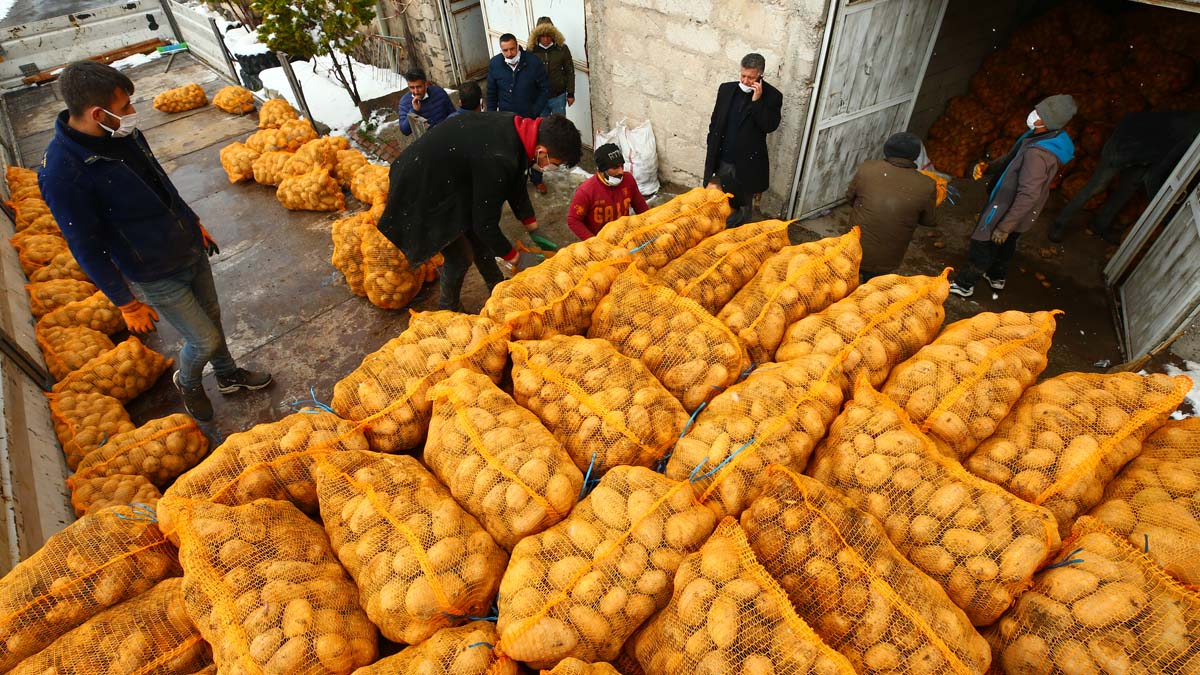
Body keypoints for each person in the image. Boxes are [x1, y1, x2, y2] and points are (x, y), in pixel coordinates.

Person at [39, 61, 271, 421]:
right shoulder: (62, 173)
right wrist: (126, 303)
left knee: (212, 318)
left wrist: (192, 221)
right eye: (124, 107)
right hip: (153, 270)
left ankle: (227, 375)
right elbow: (85, 246)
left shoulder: (122, 134)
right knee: (203, 339)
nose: (132, 113)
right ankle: (188, 383)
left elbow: (161, 182)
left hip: (187, 246)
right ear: (97, 113)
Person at [374, 113, 582, 312]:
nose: (552, 168)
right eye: (555, 164)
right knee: (461, 256)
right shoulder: (499, 156)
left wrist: (533, 228)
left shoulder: (520, 132)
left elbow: (515, 183)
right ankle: (448, 307)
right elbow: (485, 224)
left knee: (480, 240)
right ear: (541, 151)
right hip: (420, 188)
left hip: (447, 177)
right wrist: (516, 259)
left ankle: (496, 286)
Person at [949, 94, 1077, 298]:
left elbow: (1028, 194)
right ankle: (996, 276)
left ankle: (964, 284)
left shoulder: (1038, 155)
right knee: (1006, 244)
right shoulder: (1041, 136)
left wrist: (1005, 226)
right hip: (1020, 211)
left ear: (1047, 122)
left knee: (983, 243)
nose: (1033, 114)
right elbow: (1014, 157)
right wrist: (989, 167)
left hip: (1008, 206)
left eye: (1039, 113)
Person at [1049, 110, 1200, 243]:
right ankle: (1059, 223)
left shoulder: (1190, 128)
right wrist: (1163, 208)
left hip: (1144, 152)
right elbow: (1152, 177)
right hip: (1122, 146)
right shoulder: (1190, 136)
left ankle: (1099, 226)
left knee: (1127, 191)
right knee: (1096, 187)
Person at [703, 52, 784, 227]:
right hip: (723, 160)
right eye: (743, 76)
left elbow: (770, 126)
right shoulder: (726, 90)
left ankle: (737, 237)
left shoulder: (772, 96)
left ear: (760, 75)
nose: (745, 81)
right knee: (715, 203)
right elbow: (715, 122)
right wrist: (711, 145)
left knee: (742, 208)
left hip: (747, 165)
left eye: (750, 78)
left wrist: (757, 102)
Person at [846, 132, 939, 282]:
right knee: (873, 288)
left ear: (886, 150)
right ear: (915, 156)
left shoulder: (866, 169)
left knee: (846, 280)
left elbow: (850, 198)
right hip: (886, 259)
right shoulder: (927, 185)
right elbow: (929, 220)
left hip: (853, 248)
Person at [487, 33, 550, 193]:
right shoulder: (495, 64)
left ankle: (537, 179)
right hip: (507, 119)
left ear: (517, 46)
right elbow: (491, 93)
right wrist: (491, 117)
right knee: (512, 151)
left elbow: (544, 89)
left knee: (535, 150)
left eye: (512, 49)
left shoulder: (533, 62)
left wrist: (535, 111)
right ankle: (518, 181)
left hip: (530, 118)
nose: (509, 53)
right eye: (505, 50)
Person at [567, 143, 650, 240]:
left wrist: (650, 223)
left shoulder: (628, 180)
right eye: (615, 168)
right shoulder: (586, 191)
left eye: (622, 166)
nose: (621, 171)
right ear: (602, 170)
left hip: (624, 235)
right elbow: (573, 220)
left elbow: (640, 206)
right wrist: (593, 241)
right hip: (599, 239)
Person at [527, 17, 575, 117]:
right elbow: (527, 74)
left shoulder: (562, 48)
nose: (545, 39)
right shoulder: (531, 50)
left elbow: (569, 71)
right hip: (539, 97)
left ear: (553, 34)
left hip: (558, 96)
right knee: (543, 125)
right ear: (537, 36)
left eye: (548, 35)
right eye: (542, 36)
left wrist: (570, 93)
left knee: (559, 124)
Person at [397, 68, 455, 136]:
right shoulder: (405, 102)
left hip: (447, 133)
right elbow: (405, 131)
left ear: (426, 84)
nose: (416, 91)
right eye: (412, 88)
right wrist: (414, 111)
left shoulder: (439, 92)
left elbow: (452, 113)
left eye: (419, 87)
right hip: (427, 140)